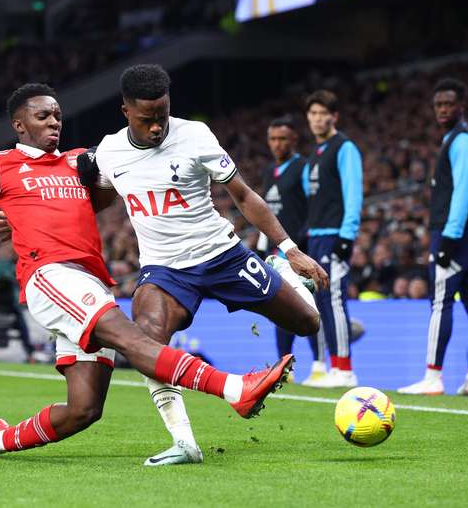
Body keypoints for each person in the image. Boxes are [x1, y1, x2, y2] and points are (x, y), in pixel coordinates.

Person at [0, 83, 297, 461]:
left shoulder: (82, 163)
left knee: (83, 410)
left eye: (57, 115)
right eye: (42, 116)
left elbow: (129, 179)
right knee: (132, 338)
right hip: (50, 276)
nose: (54, 122)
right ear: (19, 124)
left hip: (91, 282)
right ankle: (235, 389)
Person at [76, 64, 326, 466]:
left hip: (223, 255)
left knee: (308, 324)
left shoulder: (195, 135)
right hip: (165, 270)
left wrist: (289, 249)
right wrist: (87, 182)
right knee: (147, 340)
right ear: (125, 111)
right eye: (147, 120)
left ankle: (276, 273)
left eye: (162, 115)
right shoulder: (108, 152)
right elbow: (102, 199)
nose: (157, 127)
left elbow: (243, 196)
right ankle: (184, 443)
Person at [398, 78, 468, 396]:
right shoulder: (454, 138)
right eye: (438, 104)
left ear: (461, 106)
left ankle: (433, 377)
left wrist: (449, 237)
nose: (443, 109)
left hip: (456, 233)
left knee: (441, 300)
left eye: (449, 104)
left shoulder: (461, 140)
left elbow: (462, 192)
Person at [257, 115, 326, 385]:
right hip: (275, 250)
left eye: (283, 138)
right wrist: (264, 246)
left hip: (301, 249)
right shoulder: (267, 172)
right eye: (273, 139)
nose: (277, 144)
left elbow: (313, 205)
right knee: (280, 307)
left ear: (294, 140)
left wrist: (304, 242)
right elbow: (265, 212)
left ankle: (320, 365)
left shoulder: (303, 168)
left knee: (309, 306)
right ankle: (285, 367)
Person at [301, 90, 363, 388]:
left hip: (334, 236)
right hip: (315, 238)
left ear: (334, 117)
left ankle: (344, 368)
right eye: (313, 114)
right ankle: (329, 367)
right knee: (321, 302)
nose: (317, 119)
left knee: (335, 299)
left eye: (323, 113)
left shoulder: (344, 148)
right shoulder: (314, 154)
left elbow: (354, 193)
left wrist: (346, 237)